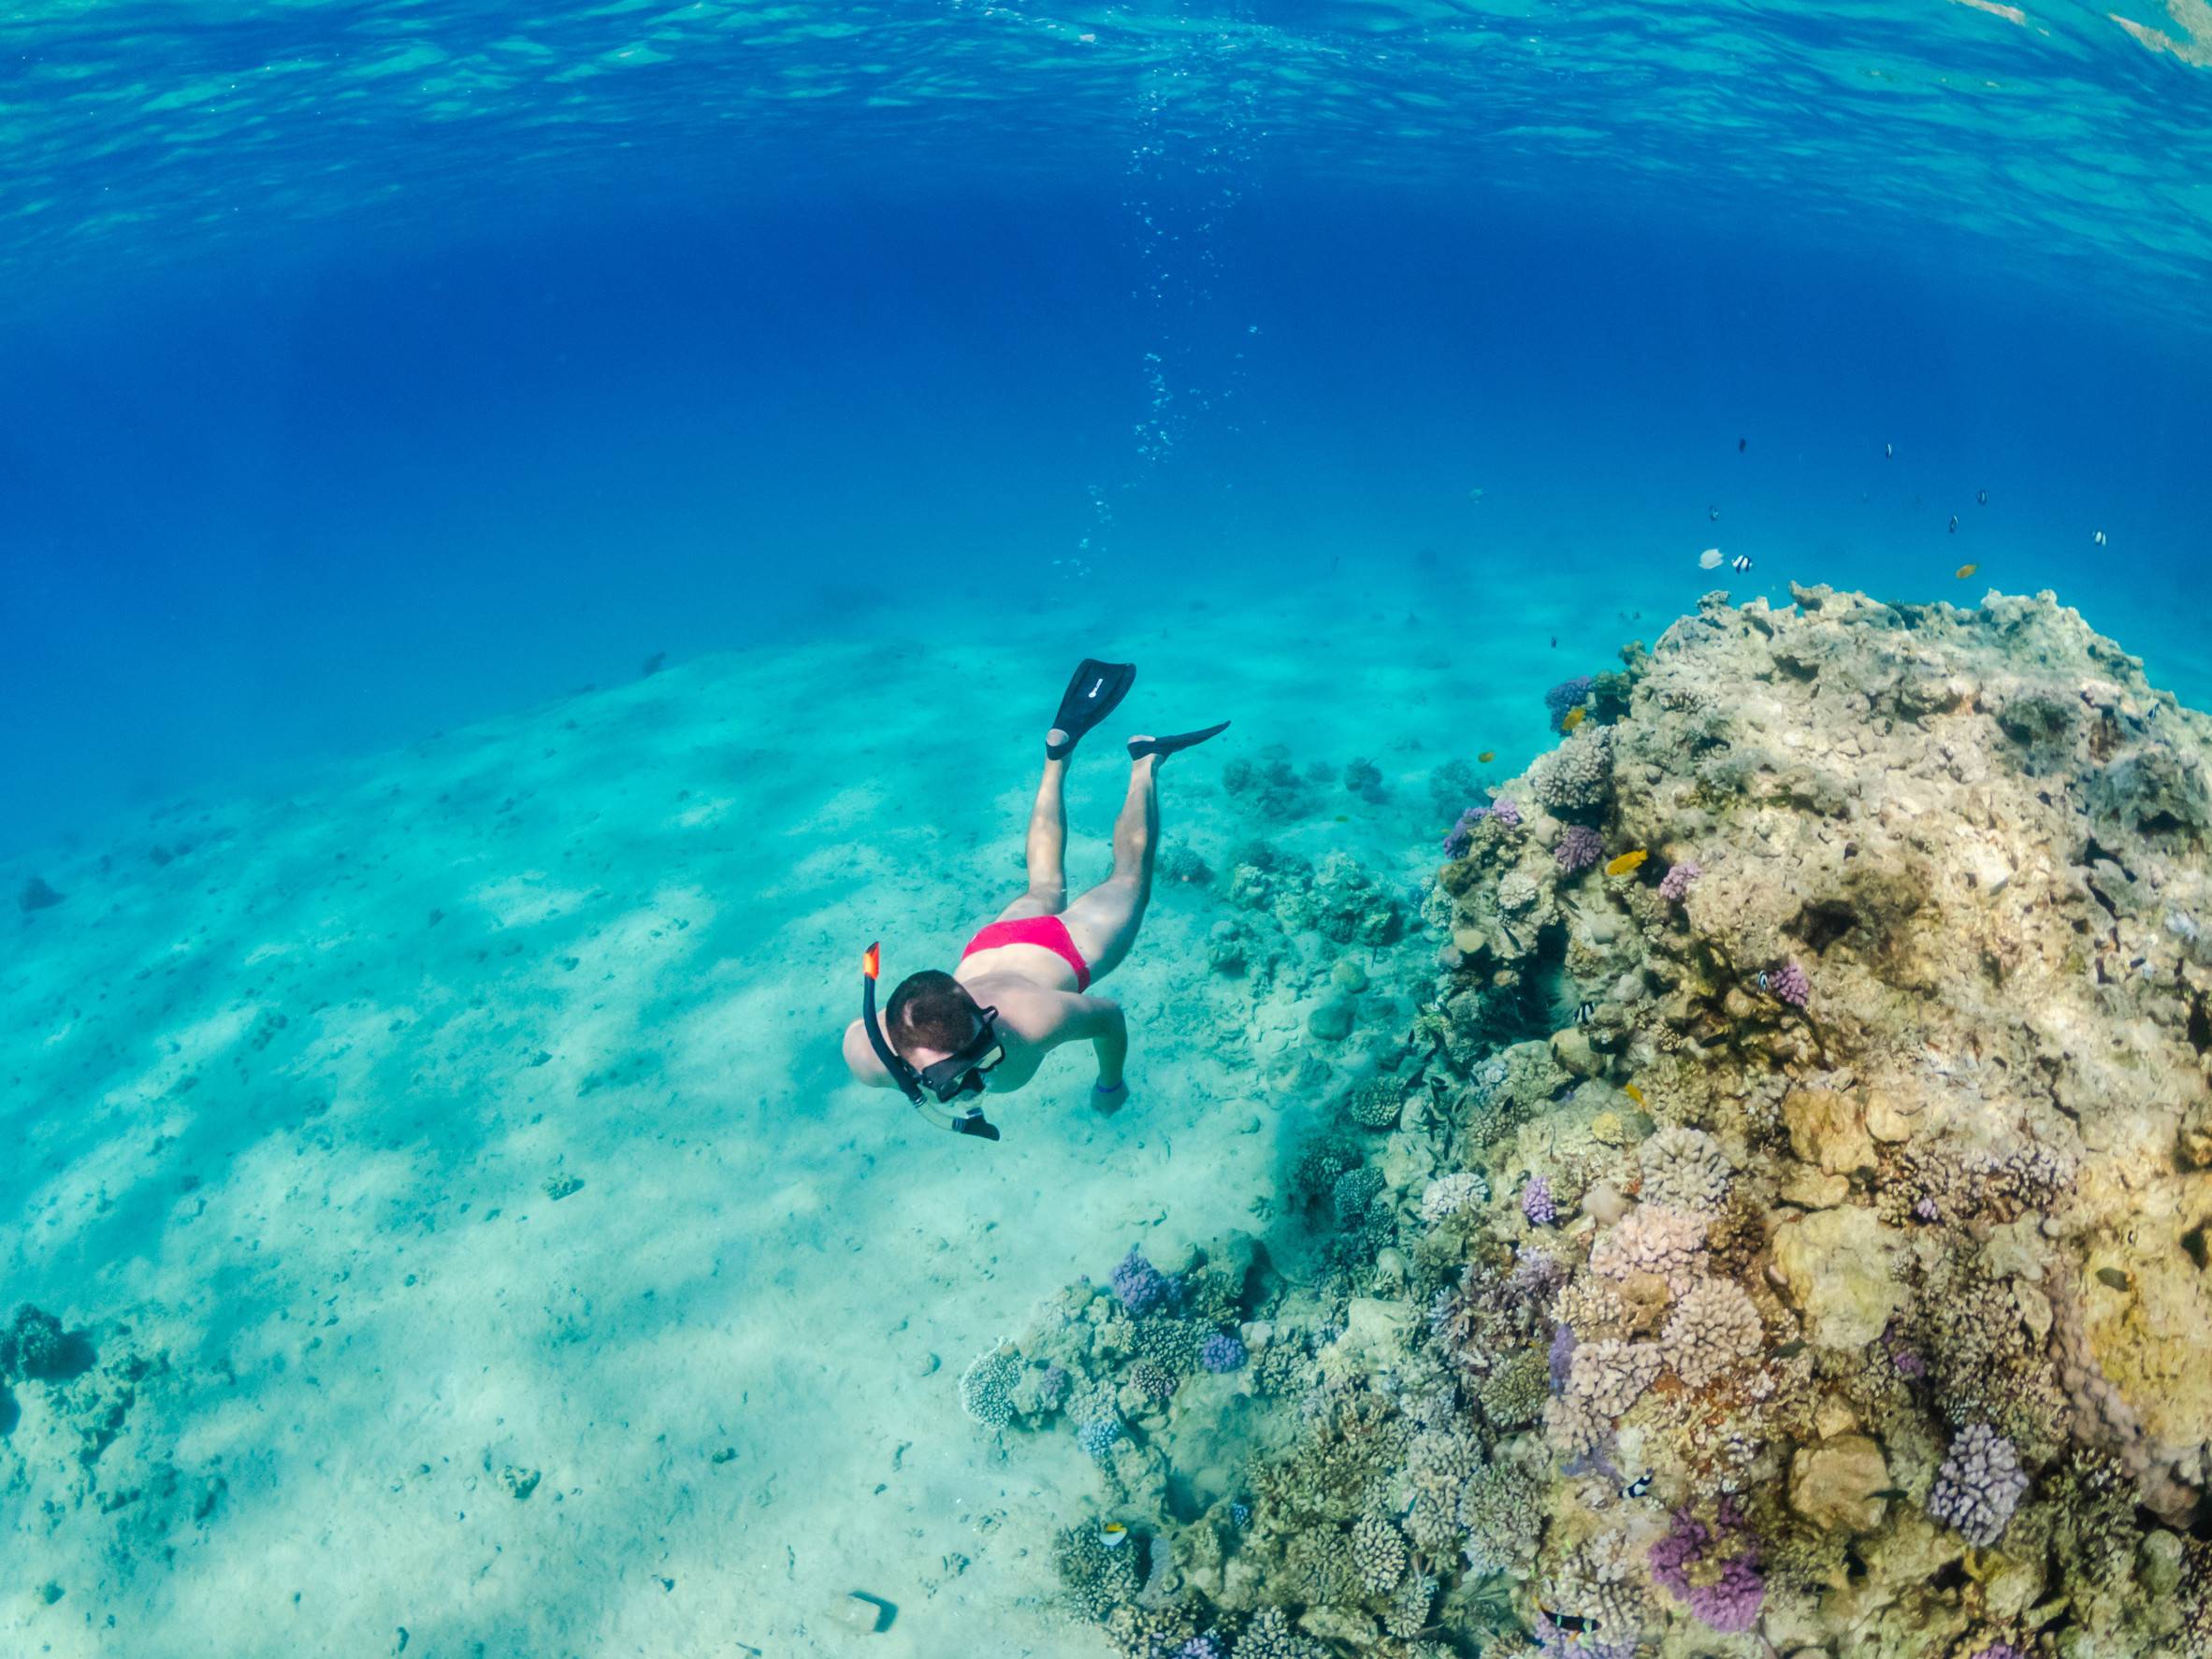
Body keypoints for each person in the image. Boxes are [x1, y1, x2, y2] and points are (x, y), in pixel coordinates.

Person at [844, 659, 1227, 1140]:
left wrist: (1110, 1084)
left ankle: (1146, 762)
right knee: (1043, 885)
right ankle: (1056, 757)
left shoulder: (1033, 1022)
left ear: (988, 1022)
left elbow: (1108, 1016)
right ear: (900, 1056)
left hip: (1060, 951)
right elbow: (880, 1025)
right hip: (993, 948)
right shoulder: (869, 1055)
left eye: (978, 1056)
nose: (970, 1083)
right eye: (943, 1081)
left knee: (1130, 879)